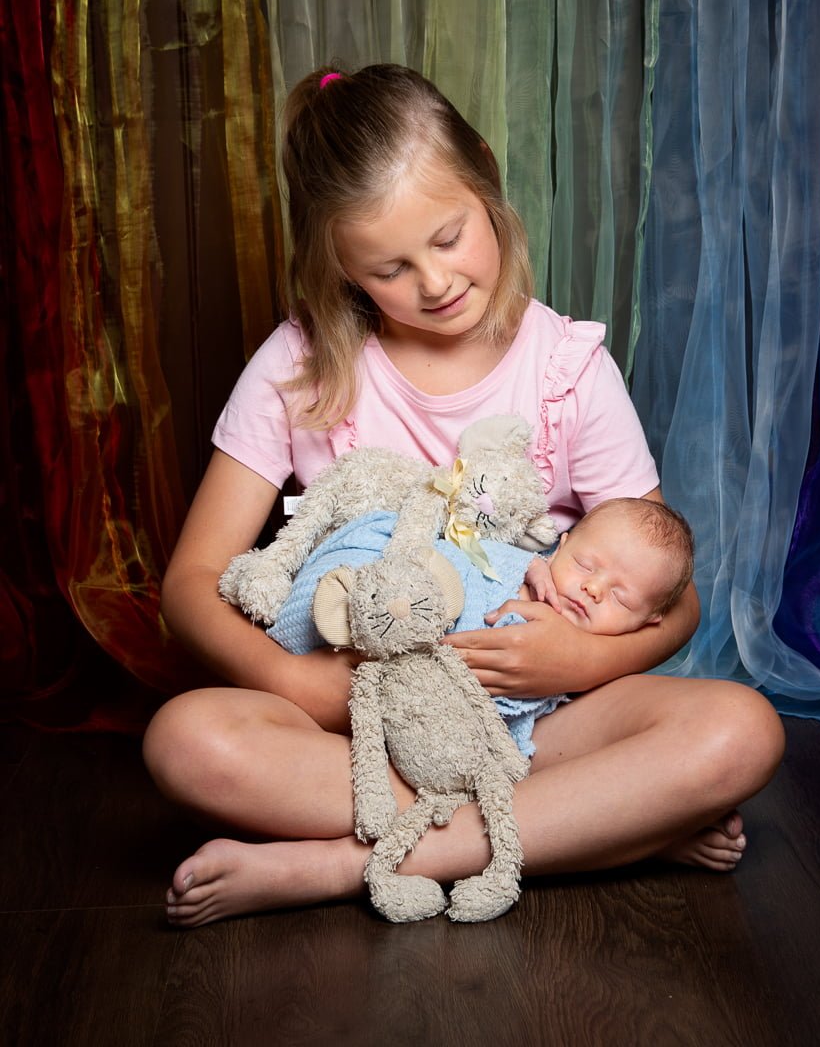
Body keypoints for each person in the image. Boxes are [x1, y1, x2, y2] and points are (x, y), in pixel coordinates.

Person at [142, 63, 785, 928]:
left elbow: (678, 601)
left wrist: (578, 662)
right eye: (389, 268)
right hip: (363, 730)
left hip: (540, 723)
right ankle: (595, 826)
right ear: (339, 266)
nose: (435, 282)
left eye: (448, 239)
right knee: (185, 741)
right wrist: (297, 683)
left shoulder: (567, 371)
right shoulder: (300, 366)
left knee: (743, 729)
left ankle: (344, 865)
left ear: (484, 171)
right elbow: (190, 586)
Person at [266, 495, 696, 757]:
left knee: (716, 730)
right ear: (560, 546)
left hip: (435, 741)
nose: (593, 589)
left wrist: (585, 661)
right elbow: (465, 563)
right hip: (360, 642)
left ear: (648, 620)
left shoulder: (602, 667)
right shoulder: (521, 576)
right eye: (584, 564)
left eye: (622, 598)